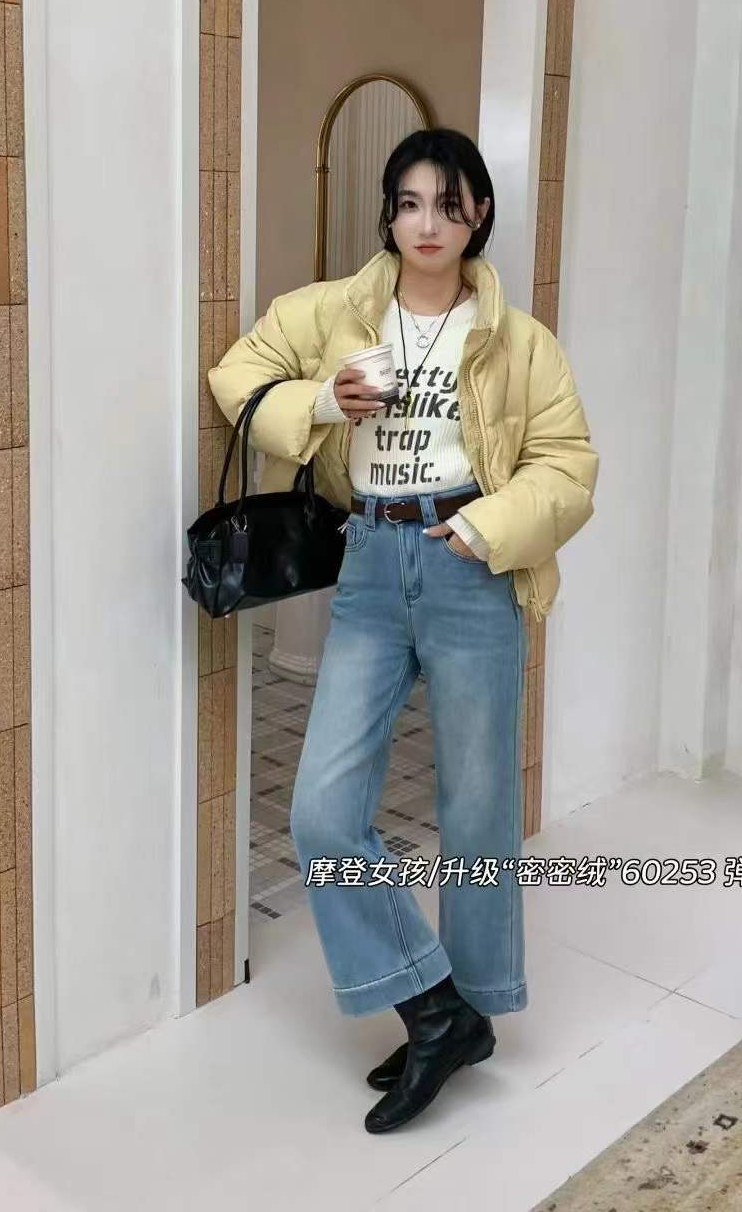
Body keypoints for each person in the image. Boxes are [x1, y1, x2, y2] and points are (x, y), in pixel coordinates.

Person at [206, 127, 598, 1134]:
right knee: (323, 810)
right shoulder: (335, 311)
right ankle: (433, 1007)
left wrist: (485, 528)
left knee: (477, 806)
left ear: (479, 216)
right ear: (389, 213)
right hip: (372, 566)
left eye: (449, 205)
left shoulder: (522, 341)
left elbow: (568, 465)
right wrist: (318, 400)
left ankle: (474, 1006)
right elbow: (235, 378)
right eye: (410, 202)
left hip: (472, 563)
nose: (428, 223)